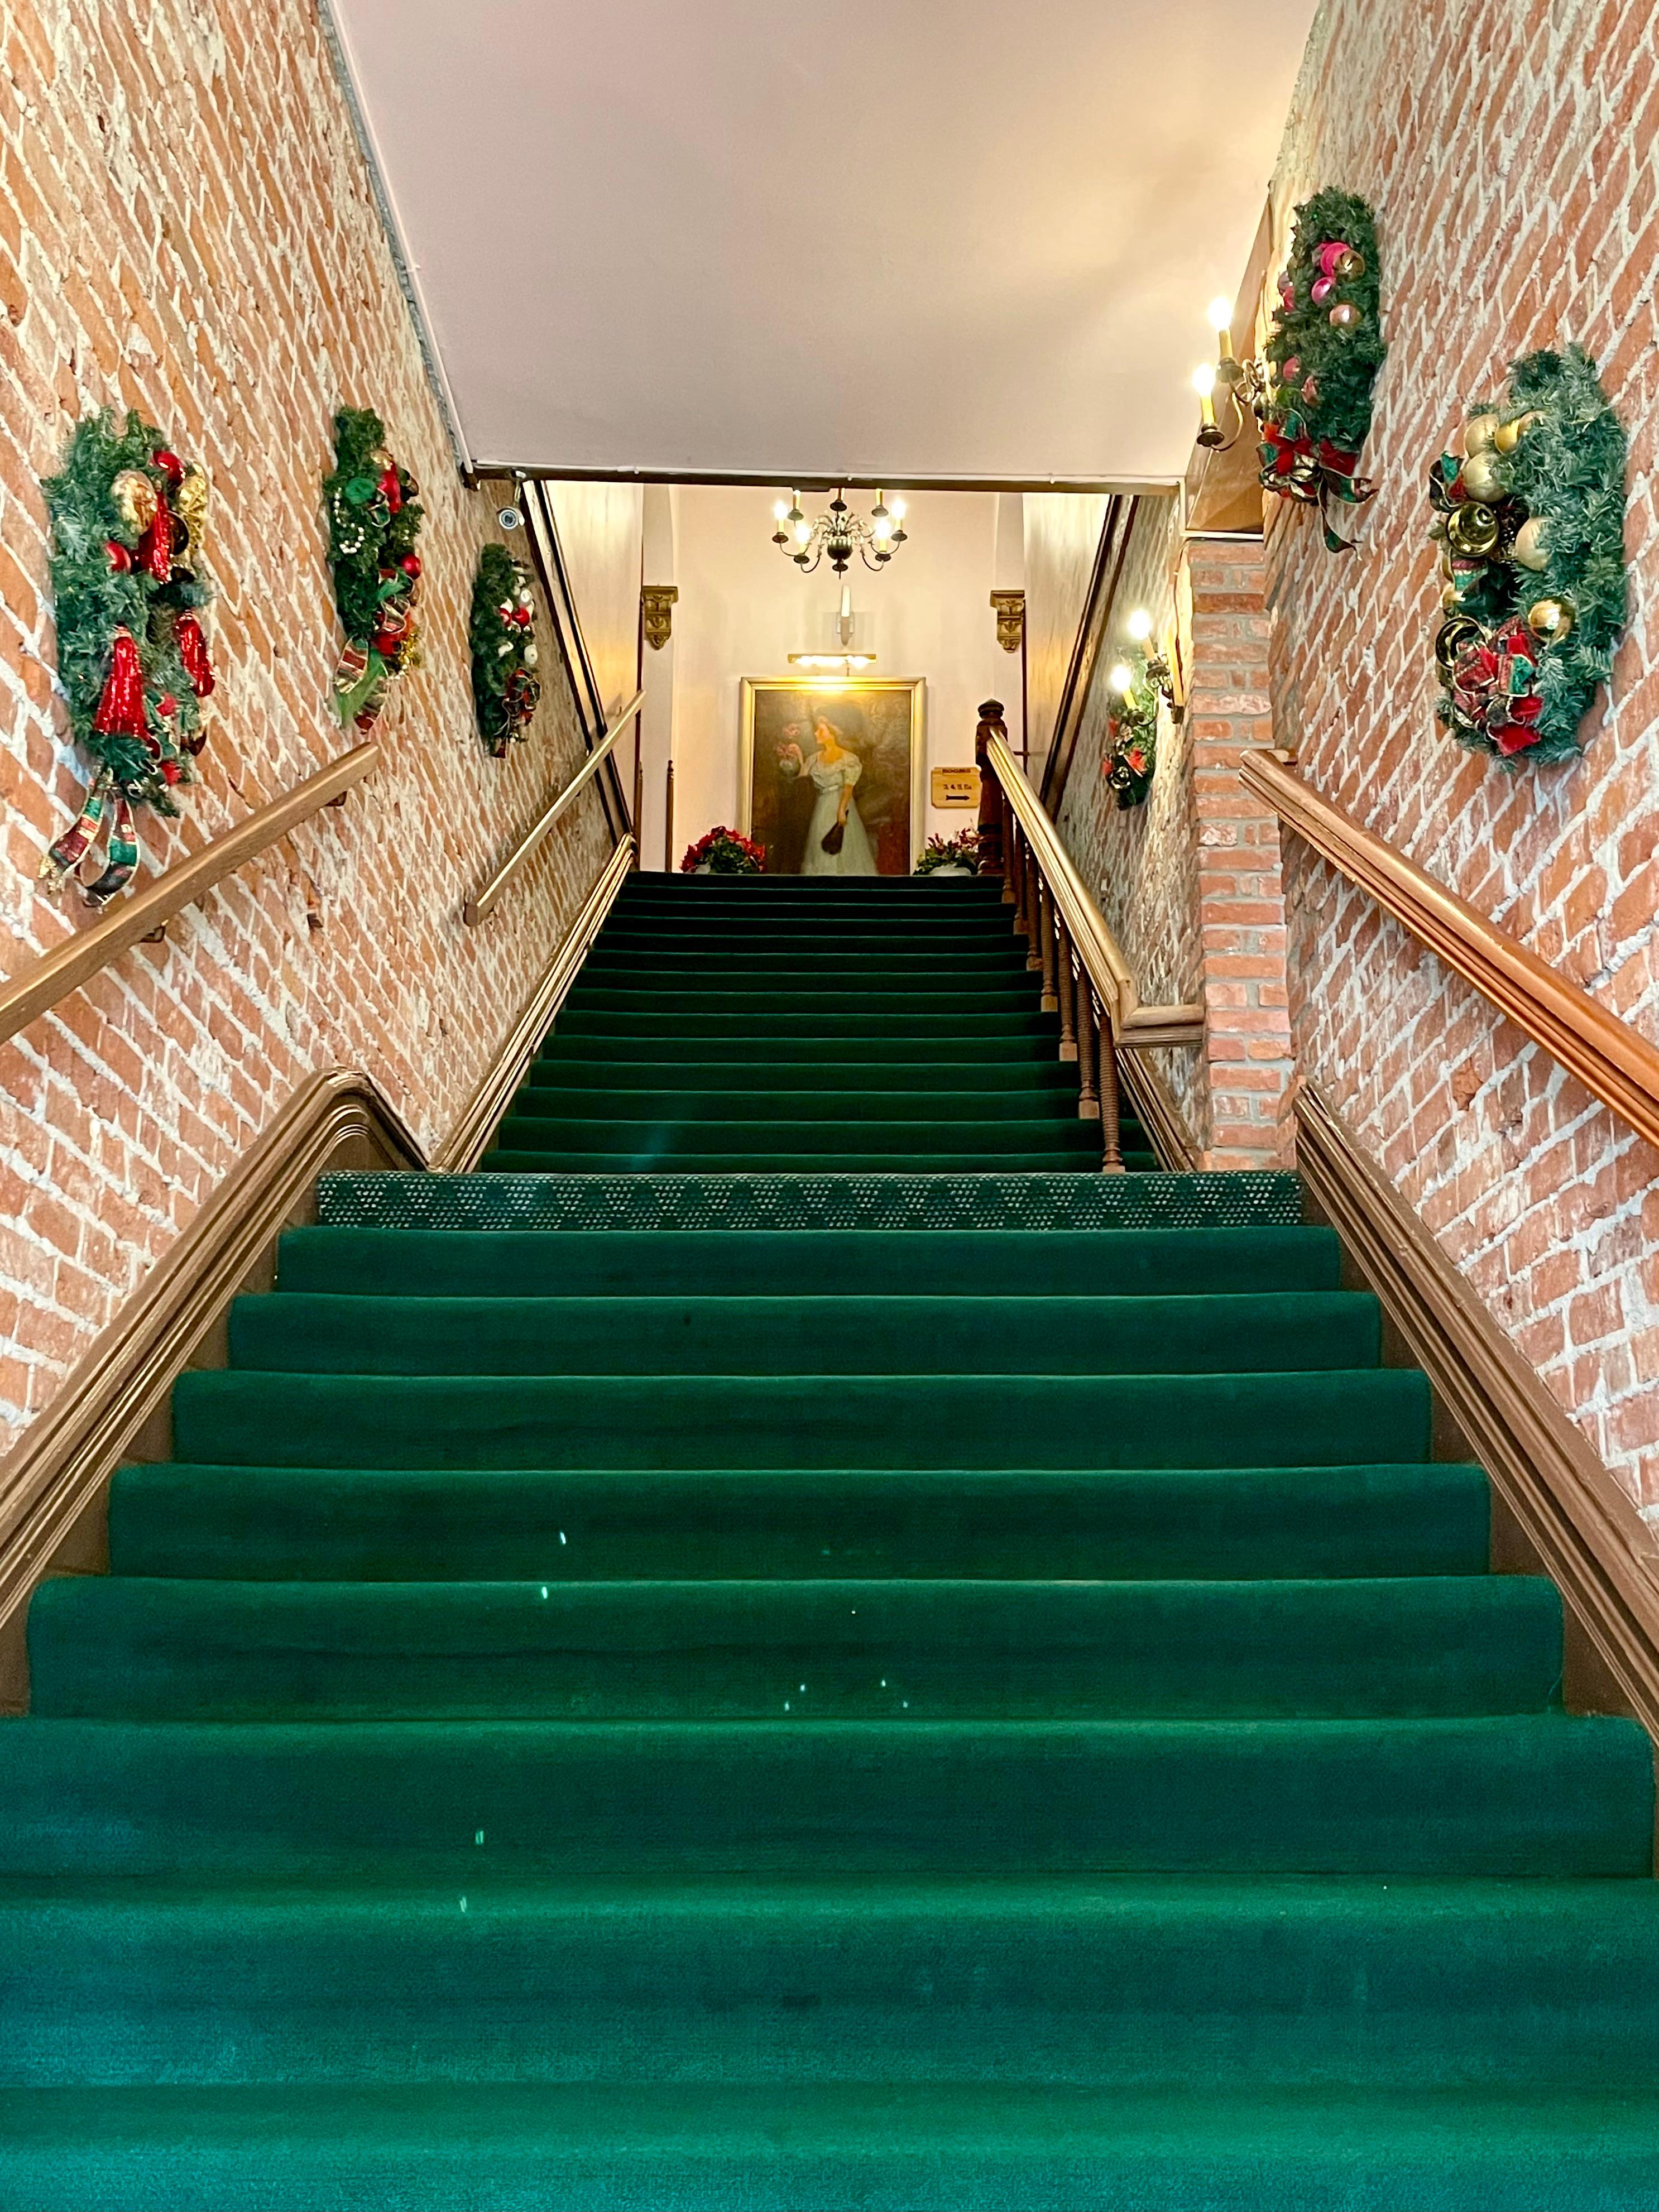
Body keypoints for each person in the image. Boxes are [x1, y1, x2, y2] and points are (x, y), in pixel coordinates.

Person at [776, 709, 879, 875]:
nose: (816, 733)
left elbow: (849, 786)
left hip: (841, 805)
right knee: (821, 850)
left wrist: (841, 810)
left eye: (821, 730)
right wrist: (799, 756)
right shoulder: (814, 759)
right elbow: (803, 778)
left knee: (845, 850)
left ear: (832, 734)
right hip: (822, 807)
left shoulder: (848, 759)